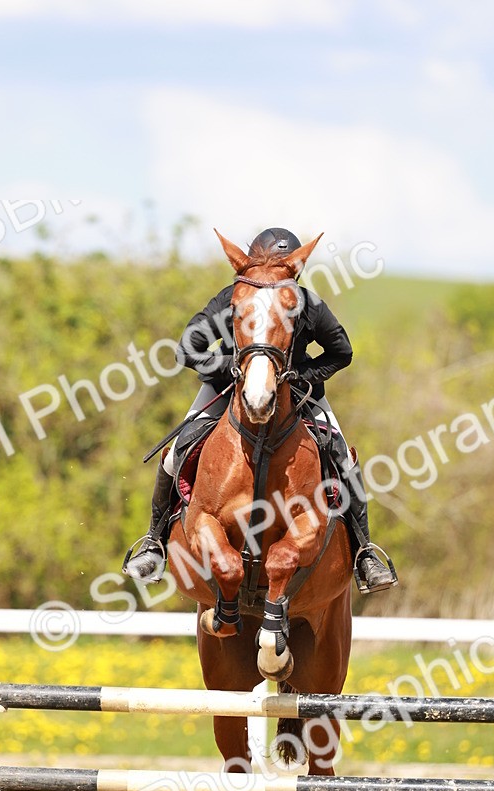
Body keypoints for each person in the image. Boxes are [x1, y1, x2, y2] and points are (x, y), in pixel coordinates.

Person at [123, 227, 397, 594]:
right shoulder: (230, 300)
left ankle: (364, 551)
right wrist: (238, 369)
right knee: (176, 453)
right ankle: (154, 542)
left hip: (295, 395)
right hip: (228, 388)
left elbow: (341, 352)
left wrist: (299, 375)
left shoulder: (307, 304)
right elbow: (187, 350)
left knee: (342, 456)